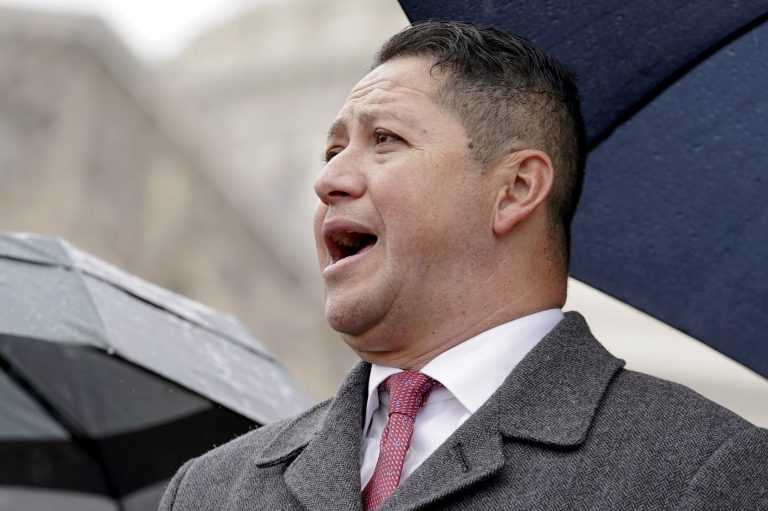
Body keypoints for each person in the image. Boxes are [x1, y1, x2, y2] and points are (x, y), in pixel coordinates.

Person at [159, 21, 768, 511]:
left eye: (386, 140)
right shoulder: (210, 490)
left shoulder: (706, 474)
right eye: (332, 149)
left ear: (515, 189)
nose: (328, 180)